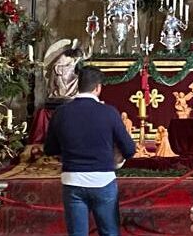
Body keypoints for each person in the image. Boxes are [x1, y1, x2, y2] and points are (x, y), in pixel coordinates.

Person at [43, 67, 136, 236]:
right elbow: (129, 150)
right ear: (98, 87)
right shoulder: (109, 112)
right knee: (109, 233)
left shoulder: (61, 113)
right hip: (104, 180)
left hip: (73, 180)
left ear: (78, 85)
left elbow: (49, 149)